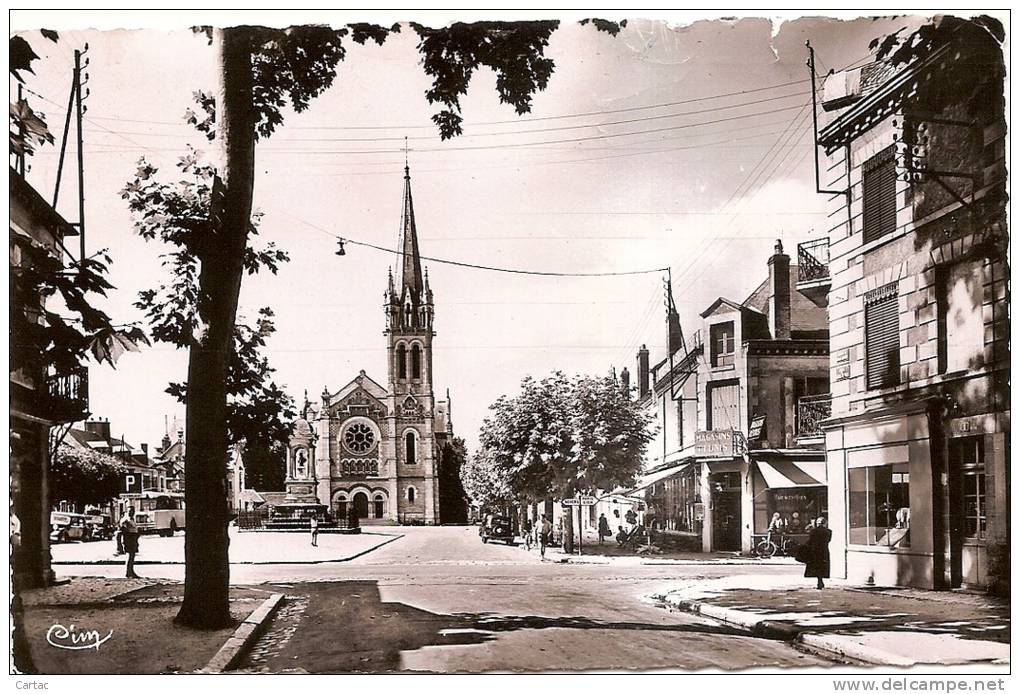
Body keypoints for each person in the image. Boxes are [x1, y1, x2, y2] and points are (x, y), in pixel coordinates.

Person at [804, 516, 832, 589]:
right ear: (825, 523)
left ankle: (819, 581)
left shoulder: (813, 531)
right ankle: (820, 581)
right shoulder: (828, 531)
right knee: (822, 566)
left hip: (815, 551)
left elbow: (810, 540)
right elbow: (828, 540)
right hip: (824, 550)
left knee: (816, 566)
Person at [120, 506, 140, 579]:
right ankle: (128, 572)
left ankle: (131, 571)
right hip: (129, 538)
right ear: (127, 511)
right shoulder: (125, 520)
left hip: (133, 537)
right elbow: (123, 529)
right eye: (130, 511)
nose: (131, 512)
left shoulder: (132, 519)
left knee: (132, 555)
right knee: (129, 555)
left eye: (132, 511)